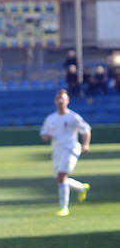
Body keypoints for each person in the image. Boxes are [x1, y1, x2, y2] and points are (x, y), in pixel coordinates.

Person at [39, 89, 91, 217]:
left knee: (61, 177)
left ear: (67, 101)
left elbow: (86, 130)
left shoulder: (73, 117)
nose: (60, 101)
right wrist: (47, 136)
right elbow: (43, 133)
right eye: (58, 98)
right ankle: (81, 188)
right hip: (57, 150)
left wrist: (86, 144)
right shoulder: (50, 118)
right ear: (55, 101)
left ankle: (64, 208)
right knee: (60, 179)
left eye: (63, 98)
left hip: (71, 148)